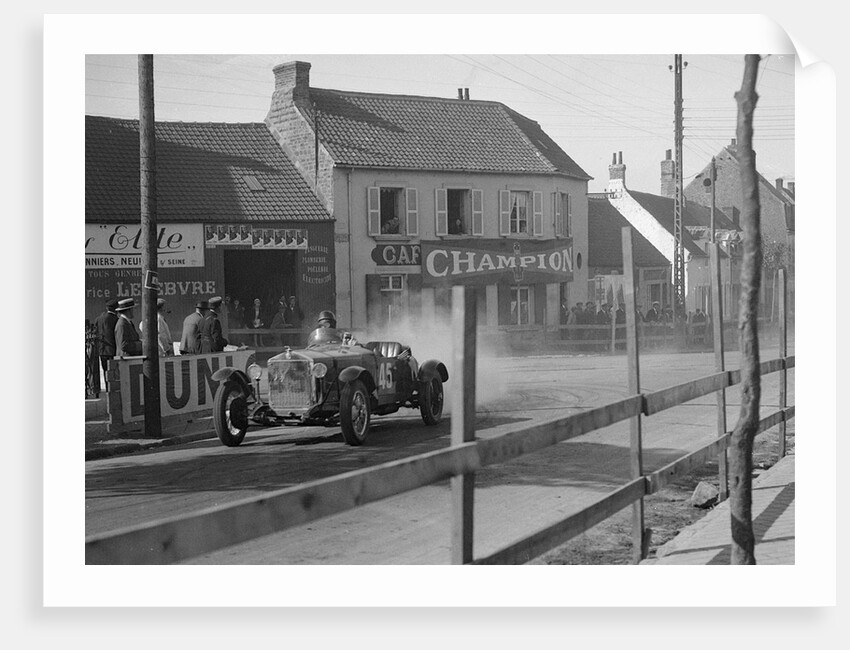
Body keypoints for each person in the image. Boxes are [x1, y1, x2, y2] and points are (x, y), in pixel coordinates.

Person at [94, 298, 119, 379]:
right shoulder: (115, 319)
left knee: (106, 372)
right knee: (114, 373)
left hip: (102, 350)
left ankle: (108, 388)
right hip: (112, 350)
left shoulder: (98, 319)